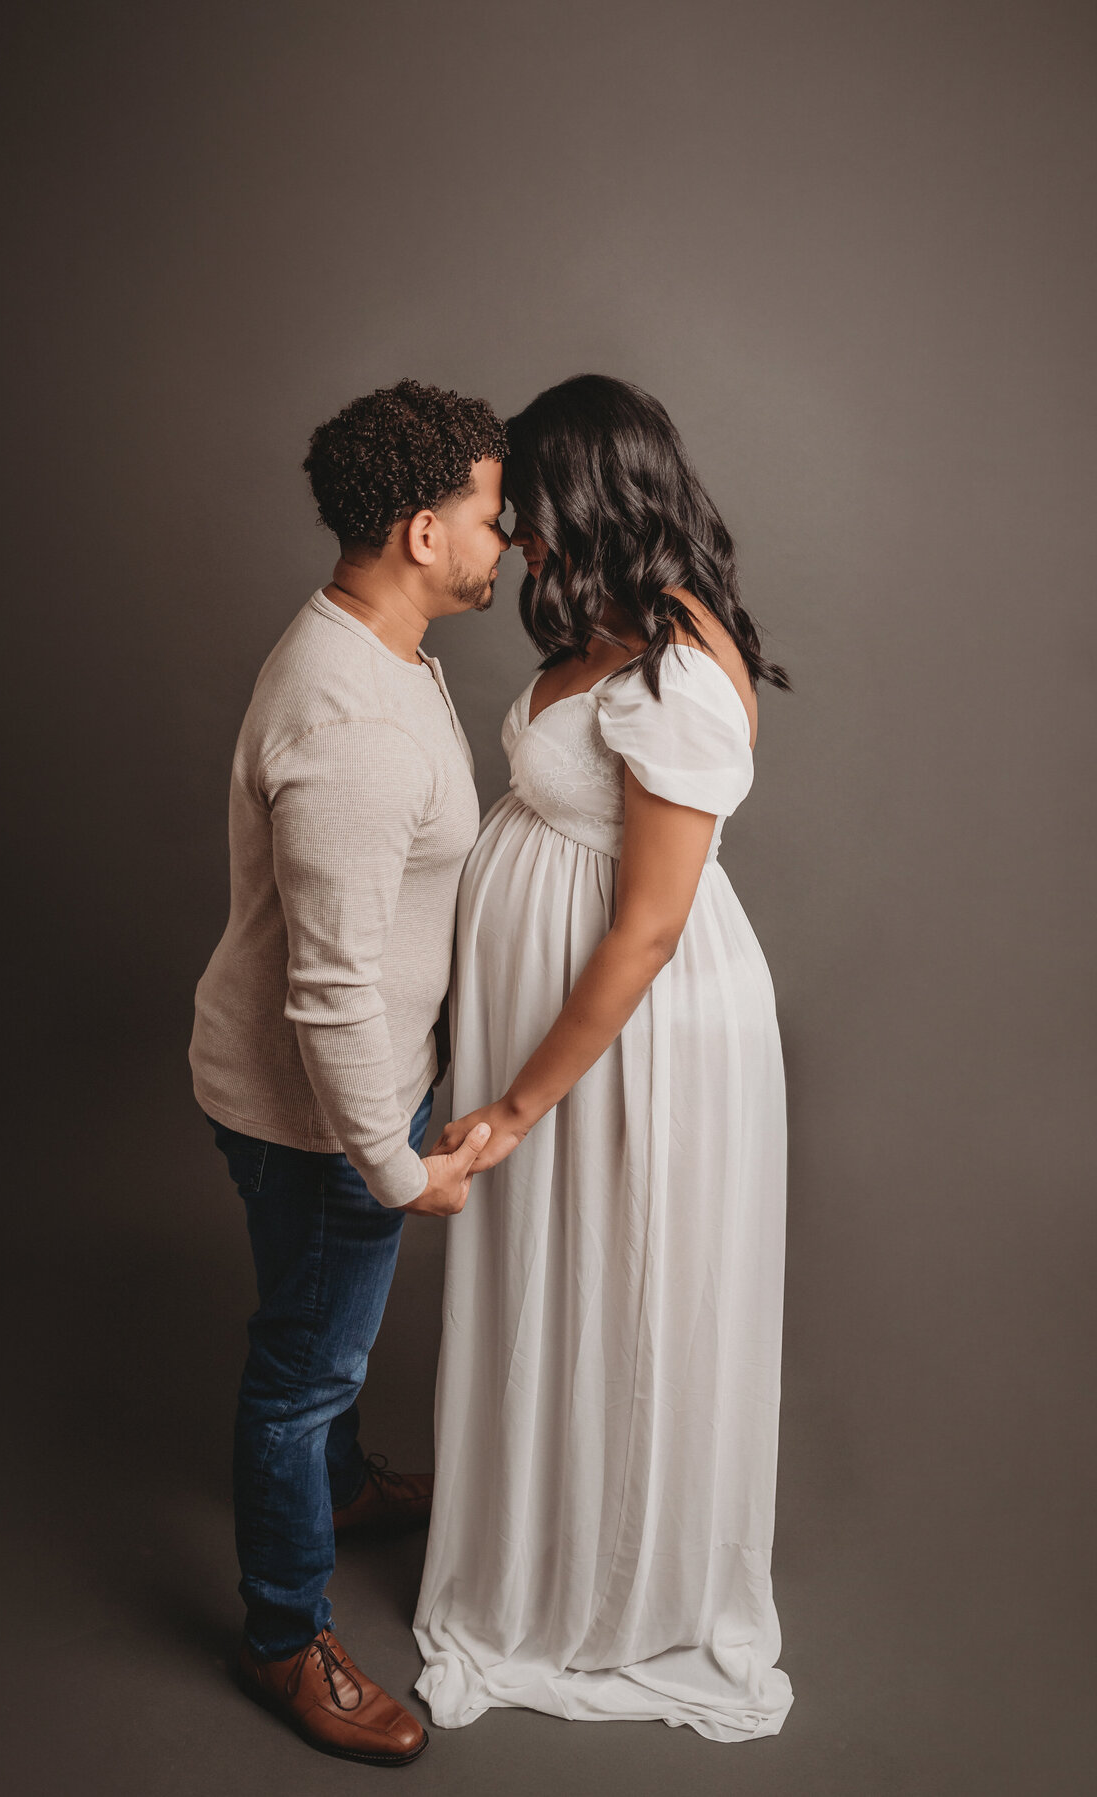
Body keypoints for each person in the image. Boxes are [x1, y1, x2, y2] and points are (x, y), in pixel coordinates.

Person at [413, 374, 795, 1739]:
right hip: (561, 1038)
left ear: (597, 497)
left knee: (627, 1295)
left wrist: (517, 1100)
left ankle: (614, 1591)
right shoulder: (609, 622)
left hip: (636, 1044)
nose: (516, 542)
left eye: (532, 515)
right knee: (561, 1287)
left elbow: (642, 931)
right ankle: (548, 1543)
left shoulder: (681, 670)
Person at [189, 379, 509, 1767]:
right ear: (420, 529)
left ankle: (343, 1484)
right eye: (493, 516)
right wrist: (395, 1165)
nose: (513, 541)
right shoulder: (356, 724)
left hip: (340, 1087)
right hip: (326, 1111)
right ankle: (281, 1635)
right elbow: (328, 992)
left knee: (321, 1335)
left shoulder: (377, 650)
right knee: (301, 1368)